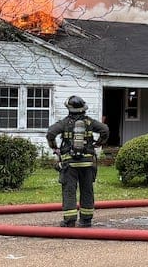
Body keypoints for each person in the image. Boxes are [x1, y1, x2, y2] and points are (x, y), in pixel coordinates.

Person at [46, 95, 109, 227]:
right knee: (87, 190)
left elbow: (51, 133)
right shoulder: (90, 122)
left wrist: (55, 148)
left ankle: (69, 221)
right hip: (87, 162)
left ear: (69, 109)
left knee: (69, 190)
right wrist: (99, 143)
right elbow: (105, 129)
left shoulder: (64, 123)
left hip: (70, 163)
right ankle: (86, 220)